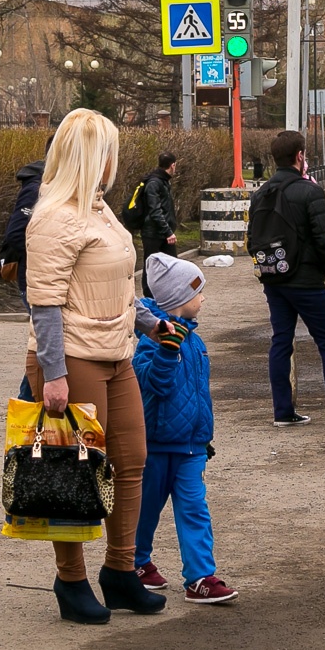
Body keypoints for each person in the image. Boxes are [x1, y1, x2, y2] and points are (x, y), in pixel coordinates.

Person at [23, 108, 166, 625]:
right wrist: (54, 373)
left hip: (116, 352)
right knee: (74, 473)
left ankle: (121, 572)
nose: (114, 161)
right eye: (108, 151)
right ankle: (71, 581)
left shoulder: (100, 210)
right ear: (89, 156)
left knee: (131, 461)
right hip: (75, 357)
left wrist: (149, 322)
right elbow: (44, 303)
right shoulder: (54, 217)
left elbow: (117, 281)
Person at [133, 254, 236, 604]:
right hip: (158, 445)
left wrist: (203, 436)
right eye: (198, 292)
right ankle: (136, 561)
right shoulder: (152, 339)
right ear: (178, 300)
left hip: (192, 446)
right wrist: (165, 352)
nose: (203, 298)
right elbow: (150, 383)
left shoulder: (194, 340)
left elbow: (197, 392)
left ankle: (200, 576)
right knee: (147, 507)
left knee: (194, 507)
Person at [251, 130, 325, 429]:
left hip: (274, 279)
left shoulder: (261, 194)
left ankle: (283, 412)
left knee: (280, 342)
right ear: (299, 156)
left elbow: (253, 237)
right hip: (307, 282)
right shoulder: (310, 191)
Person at [0, 155, 47, 400]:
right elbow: (17, 233)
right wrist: (41, 264)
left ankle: (28, 406)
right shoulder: (37, 187)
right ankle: (27, 406)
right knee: (44, 345)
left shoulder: (56, 184)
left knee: (46, 346)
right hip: (36, 278)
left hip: (43, 277)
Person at [133, 151, 180, 296]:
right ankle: (149, 297)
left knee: (171, 264)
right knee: (151, 265)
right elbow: (155, 211)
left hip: (161, 231)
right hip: (153, 233)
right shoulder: (154, 183)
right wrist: (168, 231)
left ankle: (169, 293)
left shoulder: (162, 181)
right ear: (172, 165)